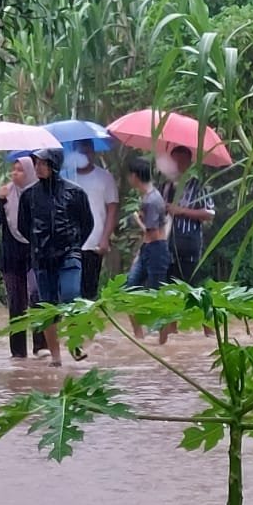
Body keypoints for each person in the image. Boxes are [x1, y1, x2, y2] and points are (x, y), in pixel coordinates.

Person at [17, 147, 93, 367]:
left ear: (54, 165)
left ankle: (75, 344)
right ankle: (56, 357)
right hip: (42, 257)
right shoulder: (29, 195)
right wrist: (38, 244)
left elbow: (87, 223)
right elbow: (24, 226)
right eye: (37, 163)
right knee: (48, 307)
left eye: (43, 163)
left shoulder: (74, 192)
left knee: (71, 297)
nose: (38, 167)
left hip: (69, 253)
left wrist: (74, 244)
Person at [0, 157, 47, 359]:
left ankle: (41, 345)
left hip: (34, 255)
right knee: (16, 304)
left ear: (29, 172)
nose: (14, 174)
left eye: (20, 170)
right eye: (13, 170)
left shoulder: (40, 194)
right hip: (11, 257)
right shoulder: (7, 193)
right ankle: (18, 353)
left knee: (37, 298)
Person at [160, 144, 216, 342]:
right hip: (167, 241)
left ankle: (210, 332)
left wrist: (181, 210)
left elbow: (209, 213)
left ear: (188, 163)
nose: (176, 165)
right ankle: (169, 336)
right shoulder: (166, 186)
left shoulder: (199, 186)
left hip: (189, 242)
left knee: (194, 288)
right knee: (168, 288)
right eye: (173, 161)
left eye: (180, 161)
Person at [124, 159, 169, 338]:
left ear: (135, 176)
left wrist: (137, 220)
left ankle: (161, 338)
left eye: (130, 175)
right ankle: (140, 336)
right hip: (150, 248)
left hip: (156, 249)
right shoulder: (151, 196)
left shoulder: (151, 200)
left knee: (157, 296)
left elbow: (152, 232)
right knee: (130, 289)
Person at [70, 139, 119, 300]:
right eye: (81, 152)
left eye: (88, 151)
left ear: (93, 153)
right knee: (70, 289)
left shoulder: (104, 177)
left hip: (94, 242)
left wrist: (105, 238)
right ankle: (72, 323)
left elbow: (112, 209)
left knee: (89, 289)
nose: (85, 155)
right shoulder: (67, 177)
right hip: (69, 242)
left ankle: (86, 323)